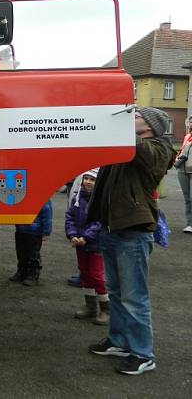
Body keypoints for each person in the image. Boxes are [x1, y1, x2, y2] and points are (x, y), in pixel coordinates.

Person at [86, 107, 174, 375]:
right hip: (114, 229)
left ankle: (143, 353)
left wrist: (118, 125)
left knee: (135, 297)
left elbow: (145, 156)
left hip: (134, 230)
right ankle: (120, 341)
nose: (129, 120)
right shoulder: (124, 147)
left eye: (135, 117)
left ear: (149, 126)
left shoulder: (160, 149)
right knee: (116, 292)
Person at [65, 168, 108, 325]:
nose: (88, 182)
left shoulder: (101, 199)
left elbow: (99, 222)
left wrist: (86, 237)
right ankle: (90, 306)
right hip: (80, 243)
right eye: (86, 179)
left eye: (92, 179)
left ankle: (106, 308)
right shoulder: (78, 197)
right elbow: (70, 217)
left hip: (95, 244)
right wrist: (73, 235)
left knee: (97, 275)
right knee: (85, 273)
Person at [10, 200, 52, 286]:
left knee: (33, 255)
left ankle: (33, 275)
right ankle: (22, 272)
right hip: (21, 229)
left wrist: (46, 232)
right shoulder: (21, 195)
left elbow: (47, 215)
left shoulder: (42, 198)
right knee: (21, 253)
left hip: (34, 232)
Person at [174, 118, 192, 233]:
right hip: (182, 170)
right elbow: (182, 151)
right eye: (191, 121)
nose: (191, 123)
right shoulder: (187, 136)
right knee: (187, 199)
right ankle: (189, 223)